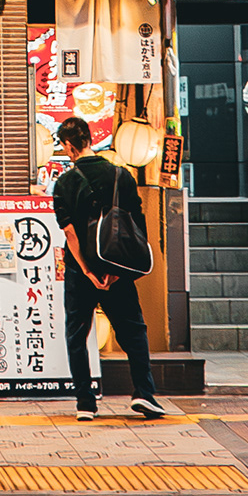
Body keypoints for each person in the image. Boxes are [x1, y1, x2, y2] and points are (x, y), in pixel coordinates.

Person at [51, 116, 168, 420]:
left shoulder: (64, 182)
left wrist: (88, 272)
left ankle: (85, 404)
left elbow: (71, 234)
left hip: (81, 272)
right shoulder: (121, 175)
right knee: (133, 330)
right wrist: (115, 271)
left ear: (67, 145)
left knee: (77, 335)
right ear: (89, 139)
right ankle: (143, 392)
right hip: (117, 267)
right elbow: (136, 226)